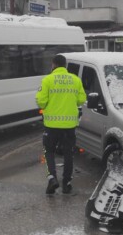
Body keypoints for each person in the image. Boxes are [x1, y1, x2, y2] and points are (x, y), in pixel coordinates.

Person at [36, 54, 86, 195]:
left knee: (49, 151)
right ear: (65, 65)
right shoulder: (76, 80)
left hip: (51, 125)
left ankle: (52, 178)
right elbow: (81, 100)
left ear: (53, 65)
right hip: (69, 125)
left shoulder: (47, 80)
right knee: (68, 153)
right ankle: (67, 184)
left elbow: (40, 101)